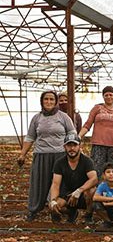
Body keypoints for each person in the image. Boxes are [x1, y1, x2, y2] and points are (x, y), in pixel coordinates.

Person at [18, 90, 76, 221]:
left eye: (51, 99)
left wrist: (73, 152)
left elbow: (72, 135)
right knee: (39, 183)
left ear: (56, 102)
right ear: (42, 102)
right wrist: (22, 154)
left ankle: (59, 209)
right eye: (46, 99)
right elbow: (30, 137)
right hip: (41, 155)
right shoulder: (37, 118)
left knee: (60, 184)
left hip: (60, 155)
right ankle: (34, 209)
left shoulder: (63, 117)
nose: (49, 102)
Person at [79, 86, 113, 177]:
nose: (108, 97)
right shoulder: (97, 108)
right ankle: (97, 189)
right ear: (103, 97)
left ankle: (112, 190)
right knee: (97, 169)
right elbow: (88, 124)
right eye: (106, 95)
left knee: (112, 171)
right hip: (98, 144)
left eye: (110, 95)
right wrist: (79, 136)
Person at [48, 134, 98, 224]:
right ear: (64, 147)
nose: (72, 148)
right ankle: (71, 212)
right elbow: (55, 184)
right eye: (69, 145)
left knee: (92, 190)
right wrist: (53, 200)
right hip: (66, 194)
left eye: (74, 145)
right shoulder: (59, 163)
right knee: (53, 207)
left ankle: (88, 215)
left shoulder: (87, 161)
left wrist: (79, 191)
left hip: (82, 194)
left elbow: (94, 179)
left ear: (80, 146)